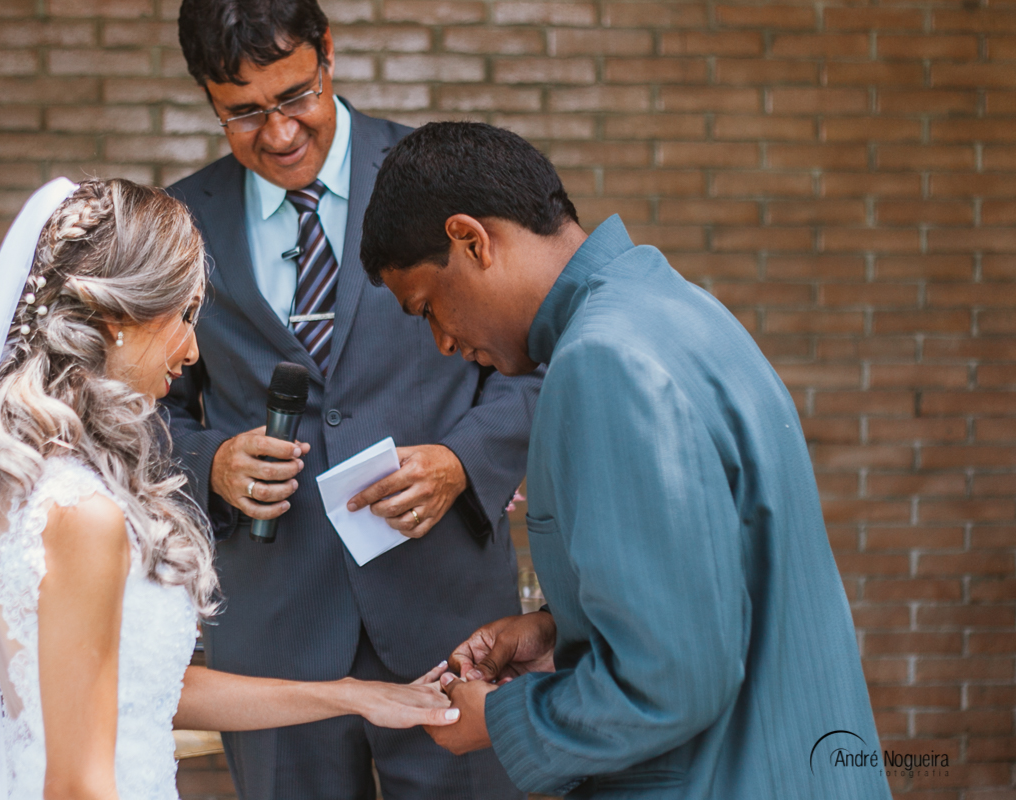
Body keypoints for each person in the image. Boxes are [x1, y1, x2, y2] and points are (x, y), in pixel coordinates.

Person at [359, 122, 894, 799]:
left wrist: (501, 716)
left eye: (428, 307)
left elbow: (672, 676)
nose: (441, 341)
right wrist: (560, 629)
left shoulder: (601, 362)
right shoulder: (675, 309)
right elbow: (713, 583)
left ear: (471, 241)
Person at [0, 178, 461, 800]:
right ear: (119, 317)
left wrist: (351, 696)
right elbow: (75, 785)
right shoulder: (81, 512)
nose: (192, 348)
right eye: (182, 315)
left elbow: (140, 690)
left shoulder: (42, 482)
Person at [163, 2, 538, 798]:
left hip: (449, 622)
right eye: (244, 112)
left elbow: (534, 360)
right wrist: (210, 462)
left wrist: (461, 462)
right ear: (205, 94)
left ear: (328, 54)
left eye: (295, 96)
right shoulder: (181, 222)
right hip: (272, 641)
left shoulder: (436, 177)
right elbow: (139, 412)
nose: (279, 134)